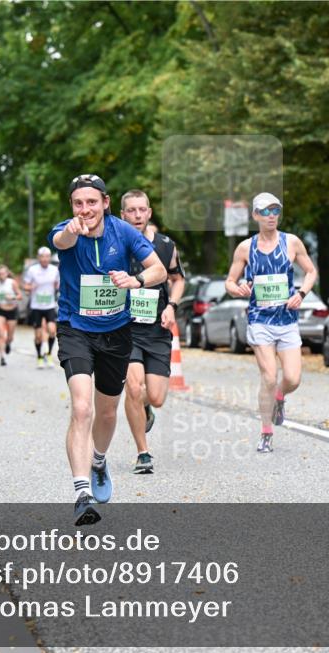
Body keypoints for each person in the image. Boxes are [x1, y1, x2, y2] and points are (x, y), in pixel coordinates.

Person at [50, 174, 167, 525]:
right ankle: (81, 492)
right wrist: (72, 230)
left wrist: (135, 281)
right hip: (75, 329)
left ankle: (99, 459)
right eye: (78, 203)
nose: (85, 209)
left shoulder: (123, 231)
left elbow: (158, 269)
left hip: (116, 332)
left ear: (105, 202)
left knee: (105, 413)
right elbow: (61, 240)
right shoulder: (67, 230)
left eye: (91, 202)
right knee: (82, 408)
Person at [224, 193, 318, 453]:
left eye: (275, 210)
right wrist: (239, 288)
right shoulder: (245, 248)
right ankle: (266, 432)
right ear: (255, 215)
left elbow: (311, 271)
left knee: (293, 378)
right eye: (265, 211)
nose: (271, 216)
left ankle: (279, 397)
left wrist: (300, 294)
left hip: (287, 320)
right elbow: (230, 282)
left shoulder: (292, 242)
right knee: (268, 377)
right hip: (260, 320)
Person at [119, 190, 186, 474]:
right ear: (122, 215)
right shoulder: (116, 246)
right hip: (126, 328)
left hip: (157, 330)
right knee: (134, 387)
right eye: (131, 210)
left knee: (156, 396)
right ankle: (142, 452)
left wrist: (171, 305)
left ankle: (146, 408)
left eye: (141, 210)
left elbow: (178, 279)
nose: (137, 215)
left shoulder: (166, 245)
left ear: (149, 213)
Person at [23, 247, 60, 369]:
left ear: (49, 258)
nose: (45, 259)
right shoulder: (32, 270)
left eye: (47, 256)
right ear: (39, 258)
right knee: (38, 335)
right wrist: (31, 287)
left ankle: (48, 354)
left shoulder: (54, 270)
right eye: (42, 256)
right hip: (36, 306)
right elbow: (26, 287)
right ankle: (39, 356)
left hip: (49, 305)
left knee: (52, 331)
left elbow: (58, 285)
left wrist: (58, 287)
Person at [0, 265, 23, 366]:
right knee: (1, 334)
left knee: (10, 336)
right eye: (0, 274)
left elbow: (20, 296)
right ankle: (2, 358)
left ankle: (8, 343)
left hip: (12, 311)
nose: (2, 276)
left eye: (3, 273)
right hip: (0, 310)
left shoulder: (12, 283)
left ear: (7, 273)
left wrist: (12, 297)